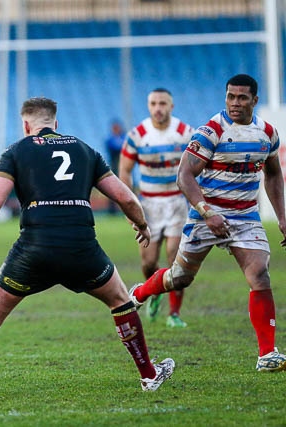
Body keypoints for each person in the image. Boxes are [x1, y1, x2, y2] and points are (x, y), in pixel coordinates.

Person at [0, 97, 174, 401]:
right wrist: (141, 225)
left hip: (35, 248)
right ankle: (149, 375)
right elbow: (126, 198)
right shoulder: (85, 150)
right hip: (82, 247)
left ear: (26, 125)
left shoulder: (16, 151)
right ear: (56, 123)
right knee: (120, 301)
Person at [128, 74, 286, 372]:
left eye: (241, 97)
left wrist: (282, 216)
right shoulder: (211, 131)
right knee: (179, 278)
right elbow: (184, 175)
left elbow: (274, 174)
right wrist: (206, 212)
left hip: (245, 217)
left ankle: (267, 354)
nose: (235, 103)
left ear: (255, 100)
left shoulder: (267, 133)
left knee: (260, 276)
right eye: (230, 96)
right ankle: (139, 293)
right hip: (206, 216)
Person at [119, 88, 194, 328]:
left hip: (176, 203)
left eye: (163, 103)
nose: (158, 108)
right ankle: (153, 291)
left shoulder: (185, 133)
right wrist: (130, 204)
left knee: (176, 259)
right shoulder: (138, 134)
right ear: (148, 106)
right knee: (148, 263)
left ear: (171, 106)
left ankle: (174, 314)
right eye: (153, 103)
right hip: (149, 205)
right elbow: (125, 171)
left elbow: (197, 166)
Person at [103, 119, 126, 214]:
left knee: (126, 187)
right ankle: (112, 210)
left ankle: (127, 208)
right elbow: (116, 147)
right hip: (114, 167)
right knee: (112, 189)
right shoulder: (110, 140)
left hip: (123, 166)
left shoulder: (123, 137)